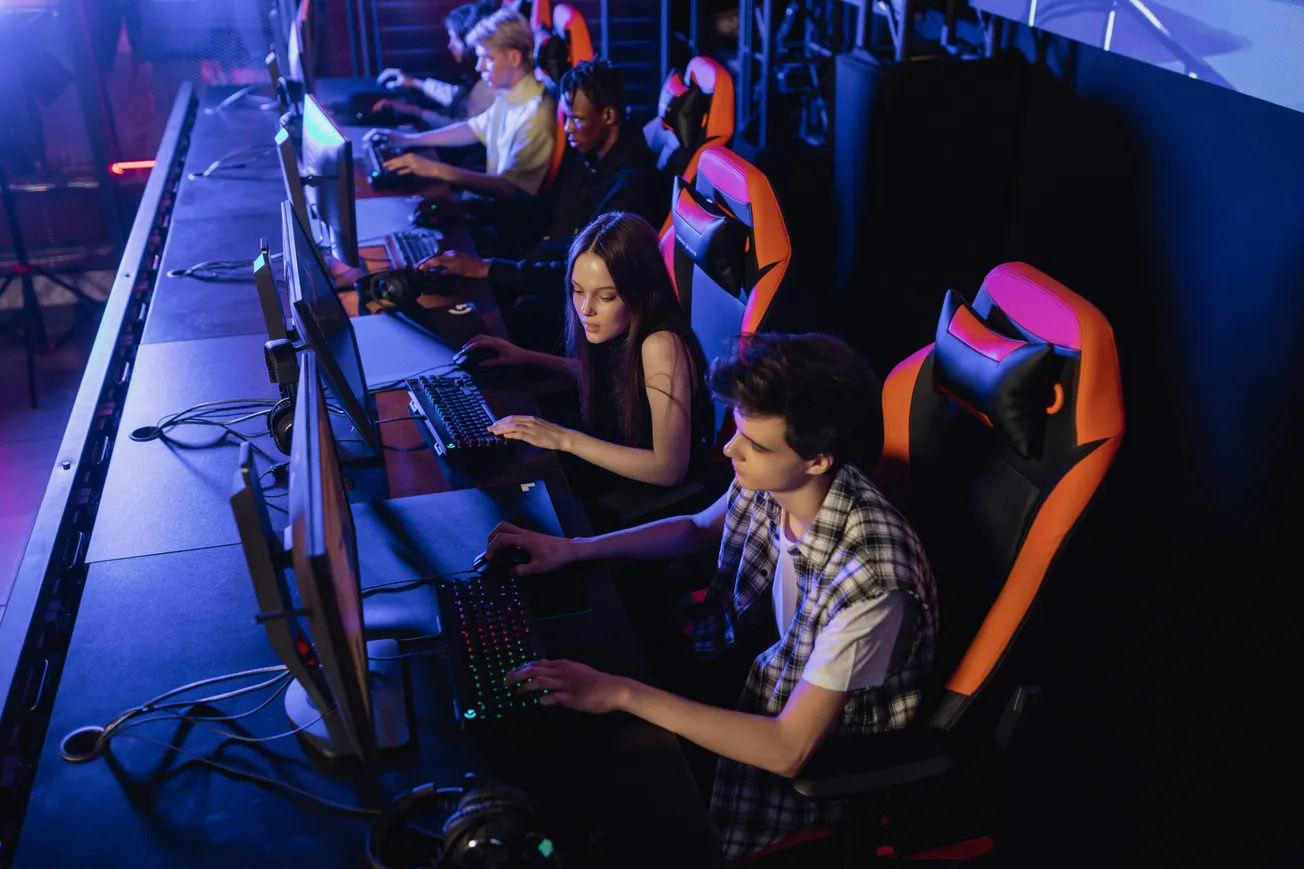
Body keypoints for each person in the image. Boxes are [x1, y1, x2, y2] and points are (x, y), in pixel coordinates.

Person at [485, 332, 940, 862]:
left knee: (588, 806)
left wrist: (621, 693)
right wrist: (575, 549)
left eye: (754, 444)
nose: (730, 449)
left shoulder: (873, 581)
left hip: (799, 770)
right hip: (741, 677)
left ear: (818, 459)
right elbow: (699, 528)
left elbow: (789, 749)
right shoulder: (780, 477)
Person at [465, 212, 715, 495]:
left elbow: (669, 469)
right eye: (577, 290)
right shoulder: (624, 328)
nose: (585, 309)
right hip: (603, 461)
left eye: (606, 297)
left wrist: (564, 439)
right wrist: (526, 356)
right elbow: (616, 378)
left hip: (634, 494)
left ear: (641, 291)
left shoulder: (661, 346)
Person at [424, 58, 668, 348]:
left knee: (471, 320)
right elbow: (544, 210)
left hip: (574, 301)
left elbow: (587, 275)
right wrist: (469, 209)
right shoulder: (590, 155)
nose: (567, 129)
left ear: (609, 115)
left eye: (576, 119)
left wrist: (487, 268)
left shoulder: (631, 184)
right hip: (545, 268)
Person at [365, 9, 556, 198]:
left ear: (514, 58)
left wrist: (436, 170)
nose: (478, 66)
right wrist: (407, 140)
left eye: (488, 58)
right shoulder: (511, 95)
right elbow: (472, 129)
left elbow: (509, 188)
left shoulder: (534, 116)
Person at [372, 0, 497, 129]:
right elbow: (460, 98)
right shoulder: (479, 81)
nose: (450, 45)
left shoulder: (490, 85)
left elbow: (463, 130)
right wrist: (413, 82)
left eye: (454, 39)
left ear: (471, 44)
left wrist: (417, 113)